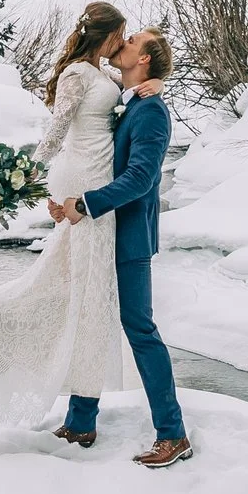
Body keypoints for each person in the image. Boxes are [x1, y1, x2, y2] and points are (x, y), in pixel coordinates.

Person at [0, 3, 135, 441]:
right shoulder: (77, 74)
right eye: (122, 33)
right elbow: (59, 127)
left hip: (96, 180)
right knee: (80, 290)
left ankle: (82, 409)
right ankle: (2, 344)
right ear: (108, 33)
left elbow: (124, 103)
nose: (125, 40)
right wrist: (20, 173)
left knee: (84, 291)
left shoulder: (101, 72)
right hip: (82, 178)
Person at [51, 28, 189, 469]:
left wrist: (87, 204)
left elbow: (142, 179)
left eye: (131, 41)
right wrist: (71, 199)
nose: (122, 43)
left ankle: (173, 434)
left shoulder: (150, 111)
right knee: (90, 317)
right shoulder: (127, 99)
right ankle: (80, 422)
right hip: (101, 231)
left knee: (139, 329)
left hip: (127, 236)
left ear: (144, 59)